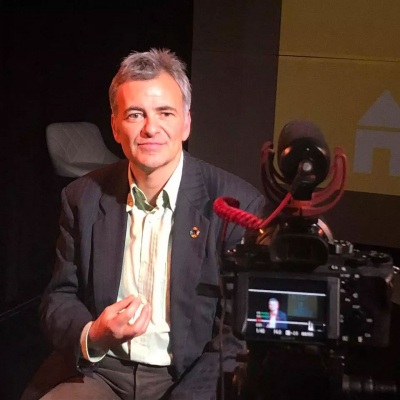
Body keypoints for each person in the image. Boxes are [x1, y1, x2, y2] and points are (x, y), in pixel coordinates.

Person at [34, 49, 266, 400]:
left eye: (165, 113)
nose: (150, 128)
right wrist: (93, 334)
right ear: (115, 126)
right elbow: (59, 297)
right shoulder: (81, 197)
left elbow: (237, 333)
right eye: (135, 114)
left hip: (189, 375)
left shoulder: (234, 206)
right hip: (102, 370)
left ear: (186, 122)